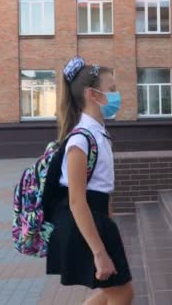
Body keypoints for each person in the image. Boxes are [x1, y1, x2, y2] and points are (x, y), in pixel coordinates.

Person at [44, 57, 133, 305]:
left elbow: (104, 191)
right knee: (121, 293)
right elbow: (76, 200)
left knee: (112, 292)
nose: (117, 95)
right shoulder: (80, 140)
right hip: (83, 224)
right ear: (92, 94)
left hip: (98, 221)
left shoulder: (98, 134)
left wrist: (110, 228)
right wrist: (99, 252)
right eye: (112, 89)